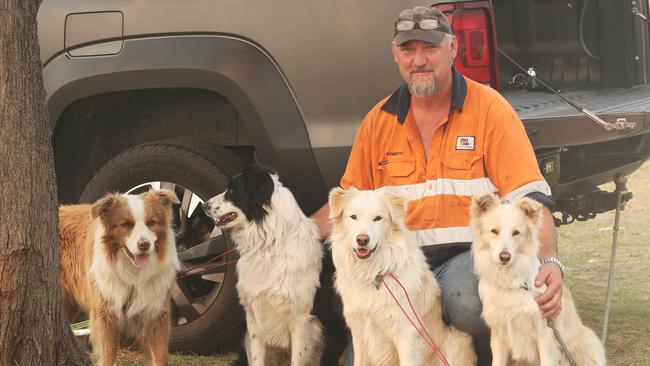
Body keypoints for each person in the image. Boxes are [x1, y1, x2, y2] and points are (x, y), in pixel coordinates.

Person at [311, 6, 565, 364]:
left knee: (466, 300)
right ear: (395, 54)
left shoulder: (491, 109)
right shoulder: (377, 121)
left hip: (462, 259)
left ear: (453, 48)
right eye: (408, 49)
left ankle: (479, 350)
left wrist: (550, 261)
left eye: (430, 47)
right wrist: (296, 235)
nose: (419, 60)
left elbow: (530, 196)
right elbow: (349, 202)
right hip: (398, 267)